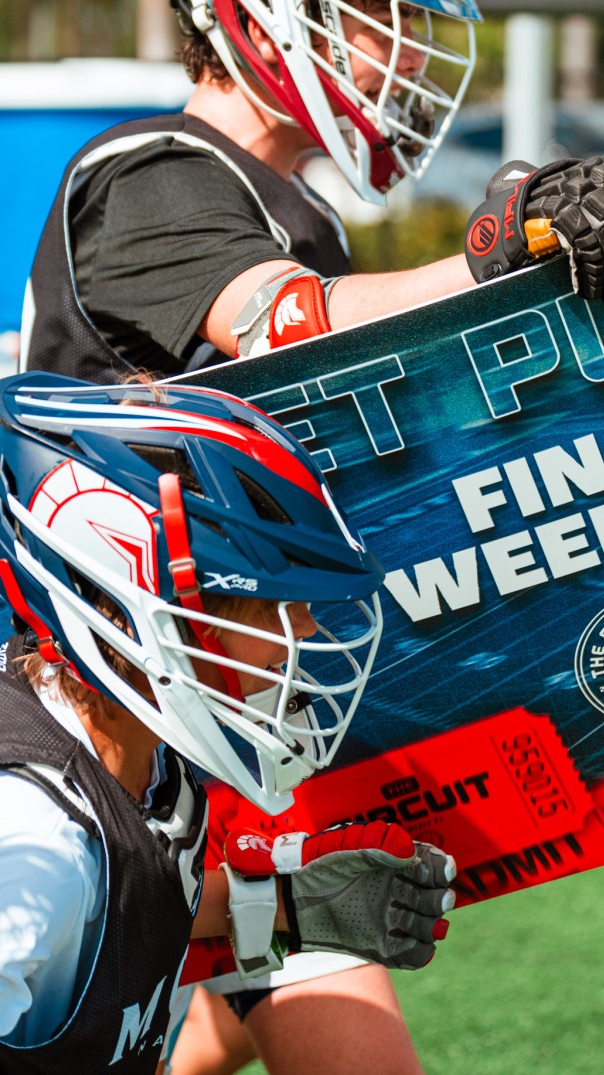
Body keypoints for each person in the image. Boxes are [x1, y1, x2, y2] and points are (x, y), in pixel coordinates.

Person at [19, 0, 604, 1069]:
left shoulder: (285, 210)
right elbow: (290, 327)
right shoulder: (152, 170)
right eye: (369, 6)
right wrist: (499, 251)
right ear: (254, 1)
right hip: (110, 721)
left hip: (218, 718)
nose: (398, 45)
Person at [0, 372, 455, 1073]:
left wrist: (274, 903)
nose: (307, 630)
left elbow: (108, 902)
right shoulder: (36, 840)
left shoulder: (140, 755)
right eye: (277, 603)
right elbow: (64, 890)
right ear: (143, 612)